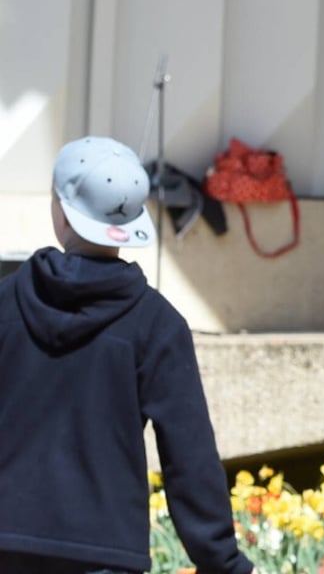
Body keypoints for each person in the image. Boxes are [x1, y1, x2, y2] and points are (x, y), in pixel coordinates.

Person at [0, 136, 255, 574]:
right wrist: (224, 563)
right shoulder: (157, 325)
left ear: (61, 211)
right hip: (106, 553)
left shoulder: (6, 303)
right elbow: (189, 457)